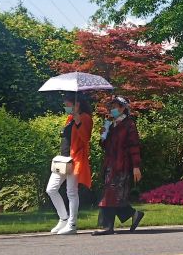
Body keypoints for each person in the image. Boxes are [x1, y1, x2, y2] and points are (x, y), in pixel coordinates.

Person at [93, 95, 144, 236]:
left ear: (123, 108)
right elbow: (106, 146)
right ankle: (134, 214)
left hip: (122, 165)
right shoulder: (112, 124)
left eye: (115, 107)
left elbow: (134, 147)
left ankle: (106, 226)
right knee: (113, 195)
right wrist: (104, 135)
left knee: (111, 194)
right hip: (110, 164)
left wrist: (136, 166)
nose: (112, 109)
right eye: (111, 107)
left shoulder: (129, 125)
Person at [46, 93, 93, 235]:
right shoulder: (70, 118)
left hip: (75, 159)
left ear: (76, 104)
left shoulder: (85, 118)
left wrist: (78, 121)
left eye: (67, 105)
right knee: (51, 189)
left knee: (71, 192)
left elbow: (86, 138)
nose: (66, 107)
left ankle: (72, 224)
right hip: (63, 159)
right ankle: (63, 218)